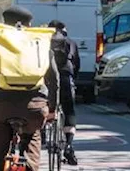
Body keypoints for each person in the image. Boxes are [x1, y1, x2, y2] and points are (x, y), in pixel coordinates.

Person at [0, 6, 59, 171]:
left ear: (5, 22)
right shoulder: (39, 41)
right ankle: (30, 166)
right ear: (30, 23)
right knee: (32, 137)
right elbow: (55, 78)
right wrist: (52, 108)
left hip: (1, 106)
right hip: (34, 107)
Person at [48, 20, 81, 166]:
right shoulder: (71, 43)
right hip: (66, 78)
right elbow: (77, 65)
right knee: (69, 111)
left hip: (48, 79)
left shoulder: (44, 43)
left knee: (44, 106)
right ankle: (69, 144)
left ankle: (42, 133)